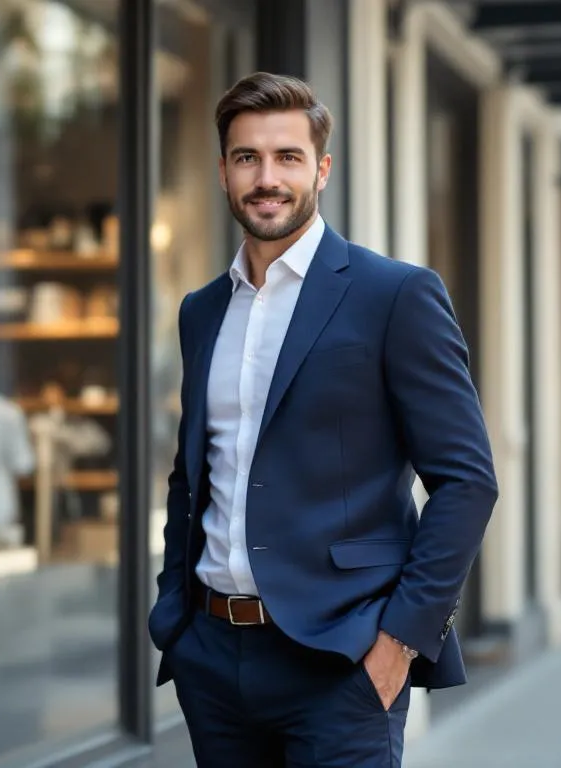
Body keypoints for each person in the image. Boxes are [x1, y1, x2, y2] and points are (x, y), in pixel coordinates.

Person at [147, 72, 497, 767]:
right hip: (214, 658)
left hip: (342, 661)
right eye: (247, 157)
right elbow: (196, 474)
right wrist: (175, 617)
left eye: (287, 157)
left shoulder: (393, 296)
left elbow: (466, 481)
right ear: (222, 172)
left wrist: (399, 642)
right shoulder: (202, 311)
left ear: (322, 169)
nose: (266, 177)